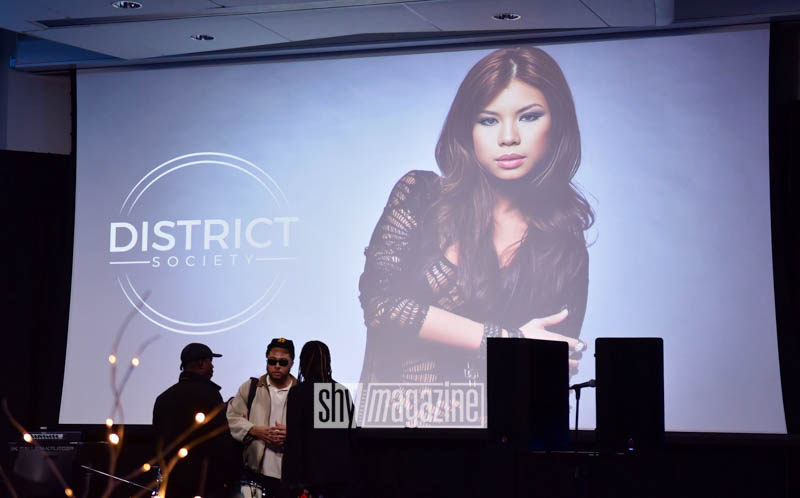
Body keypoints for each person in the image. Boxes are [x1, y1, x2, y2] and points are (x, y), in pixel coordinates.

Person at [358, 46, 594, 391]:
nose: (508, 137)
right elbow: (381, 305)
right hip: (395, 421)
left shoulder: (563, 243)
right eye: (488, 120)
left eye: (529, 117)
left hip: (499, 423)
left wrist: (535, 356)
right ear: (466, 130)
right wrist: (508, 341)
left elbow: (551, 365)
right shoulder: (421, 195)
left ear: (557, 124)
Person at [152, 343, 239, 498]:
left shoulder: (163, 398)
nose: (213, 366)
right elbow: (221, 442)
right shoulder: (210, 395)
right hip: (206, 485)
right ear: (201, 363)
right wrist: (230, 479)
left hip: (172, 485)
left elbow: (158, 443)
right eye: (210, 361)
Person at [227, 338, 298, 498]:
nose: (277, 366)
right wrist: (253, 430)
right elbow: (232, 418)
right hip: (254, 474)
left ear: (291, 363)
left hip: (289, 477)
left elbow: (313, 432)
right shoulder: (251, 387)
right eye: (272, 361)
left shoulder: (300, 391)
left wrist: (292, 435)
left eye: (283, 362)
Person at [282, 341, 353, 498]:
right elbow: (349, 437)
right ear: (328, 362)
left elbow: (294, 441)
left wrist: (290, 481)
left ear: (303, 363)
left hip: (308, 481)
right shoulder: (341, 392)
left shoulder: (298, 393)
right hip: (339, 479)